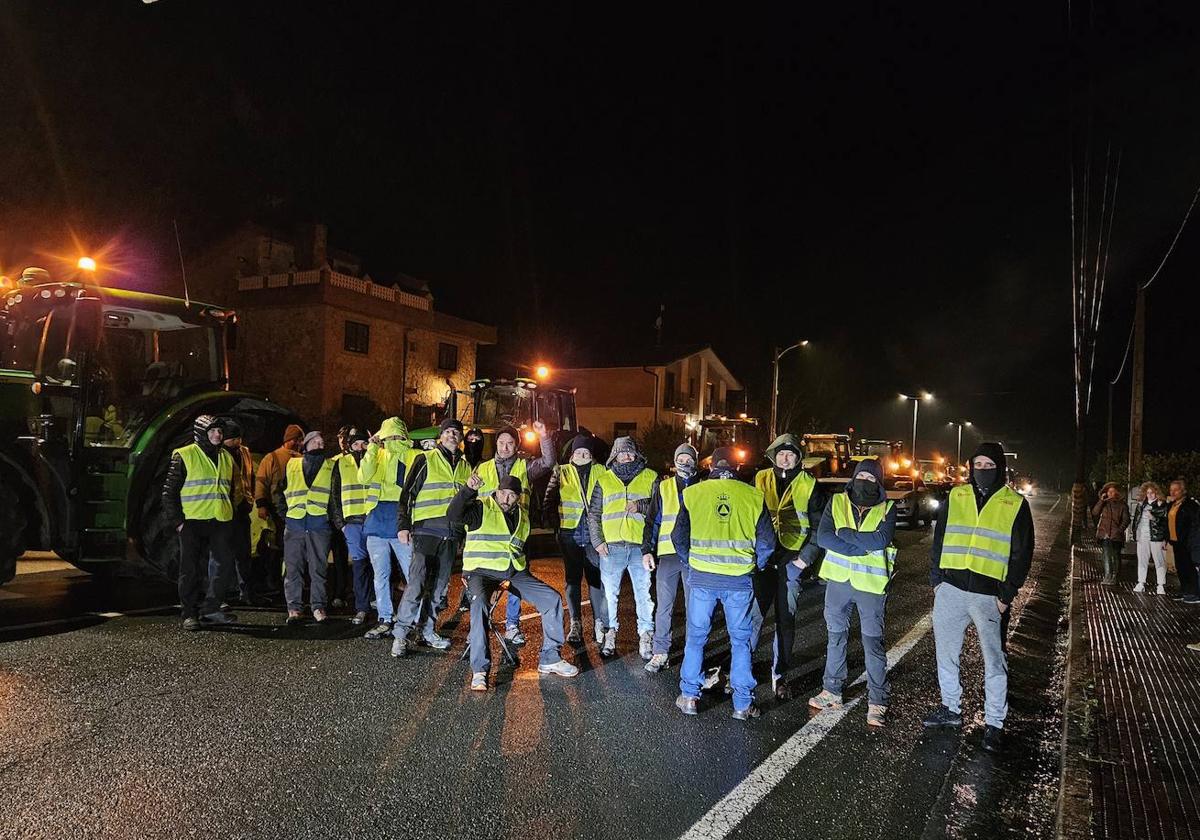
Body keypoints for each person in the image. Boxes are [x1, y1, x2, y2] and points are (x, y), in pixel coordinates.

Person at [922, 443, 1034, 754]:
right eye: (978, 464)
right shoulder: (957, 495)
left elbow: (1022, 554)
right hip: (951, 590)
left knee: (994, 661)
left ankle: (995, 722)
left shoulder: (1014, 503)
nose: (982, 469)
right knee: (946, 653)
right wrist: (937, 581)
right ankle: (950, 707)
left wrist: (1006, 594)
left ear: (999, 468)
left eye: (988, 464)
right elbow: (940, 537)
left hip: (989, 596)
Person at [450, 473, 580, 689]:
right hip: (480, 571)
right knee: (479, 604)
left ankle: (550, 658)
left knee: (551, 599)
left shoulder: (523, 516)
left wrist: (523, 571)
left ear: (518, 497)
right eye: (503, 493)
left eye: (512, 495)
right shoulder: (481, 507)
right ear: (497, 491)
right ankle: (480, 670)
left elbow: (521, 548)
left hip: (513, 572)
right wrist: (467, 490)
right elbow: (453, 514)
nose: (506, 498)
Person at [673, 447, 776, 720]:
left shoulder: (693, 493)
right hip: (739, 580)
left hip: (703, 577)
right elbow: (767, 542)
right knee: (740, 641)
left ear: (710, 467)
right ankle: (742, 704)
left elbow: (678, 536)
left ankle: (690, 697)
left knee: (696, 638)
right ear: (736, 468)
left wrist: (691, 561)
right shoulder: (753, 496)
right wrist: (757, 565)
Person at [807, 457, 897, 728]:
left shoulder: (888, 508)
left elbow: (881, 540)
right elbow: (824, 537)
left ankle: (878, 700)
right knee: (835, 637)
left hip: (870, 586)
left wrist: (843, 534)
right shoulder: (836, 502)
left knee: (873, 643)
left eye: (871, 479)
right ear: (854, 477)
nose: (865, 482)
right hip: (838, 583)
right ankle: (831, 690)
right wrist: (858, 548)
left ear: (878, 482)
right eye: (862, 477)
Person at [753, 433, 827, 699]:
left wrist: (804, 559)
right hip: (763, 558)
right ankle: (742, 672)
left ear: (798, 458)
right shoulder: (760, 478)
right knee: (753, 618)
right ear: (774, 456)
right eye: (782, 454)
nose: (786, 459)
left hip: (792, 558)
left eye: (791, 455)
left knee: (786, 619)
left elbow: (820, 527)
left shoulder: (809, 484)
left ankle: (779, 675)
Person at [392, 418, 471, 657]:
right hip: (426, 531)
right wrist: (403, 525)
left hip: (451, 535)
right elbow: (407, 494)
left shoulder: (466, 467)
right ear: (440, 436)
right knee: (416, 584)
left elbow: (468, 503)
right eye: (448, 432)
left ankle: (427, 630)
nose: (452, 436)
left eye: (456, 433)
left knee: (439, 588)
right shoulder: (425, 459)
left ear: (461, 439)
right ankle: (401, 635)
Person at [474, 422, 557, 646]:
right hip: (488, 538)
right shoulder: (482, 468)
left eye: (510, 443)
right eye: (501, 443)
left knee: (516, 581)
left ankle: (512, 625)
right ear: (496, 445)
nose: (505, 447)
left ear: (515, 446)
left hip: (516, 535)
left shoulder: (525, 466)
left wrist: (544, 436)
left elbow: (548, 462)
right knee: (483, 583)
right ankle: (480, 626)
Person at [162, 414, 237, 631]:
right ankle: (189, 612)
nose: (217, 435)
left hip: (220, 519)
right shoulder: (184, 455)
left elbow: (228, 490)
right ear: (201, 433)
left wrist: (229, 513)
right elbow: (169, 493)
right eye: (212, 431)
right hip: (192, 520)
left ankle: (211, 608)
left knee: (222, 566)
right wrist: (178, 522)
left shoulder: (226, 457)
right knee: (190, 569)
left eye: (220, 431)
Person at [588, 436, 657, 659]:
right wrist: (597, 541)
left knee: (643, 594)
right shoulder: (604, 480)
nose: (626, 456)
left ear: (637, 454)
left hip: (640, 547)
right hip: (611, 547)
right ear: (614, 456)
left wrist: (640, 506)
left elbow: (659, 509)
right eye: (621, 452)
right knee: (609, 595)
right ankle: (610, 633)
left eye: (630, 452)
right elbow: (594, 513)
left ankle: (646, 635)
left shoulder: (651, 477)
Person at [544, 433, 611, 645]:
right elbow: (549, 499)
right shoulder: (561, 471)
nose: (582, 454)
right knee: (572, 579)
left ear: (591, 455)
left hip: (594, 535)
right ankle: (575, 623)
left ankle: (598, 622)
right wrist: (555, 524)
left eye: (586, 452)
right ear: (572, 454)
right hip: (570, 533)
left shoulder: (602, 471)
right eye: (578, 451)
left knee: (595, 579)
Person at [640, 443, 700, 673]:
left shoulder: (703, 487)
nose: (684, 462)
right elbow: (652, 521)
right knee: (664, 606)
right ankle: (660, 652)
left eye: (688, 458)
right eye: (681, 458)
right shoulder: (664, 487)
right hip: (668, 556)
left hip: (694, 555)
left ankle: (693, 653)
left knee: (693, 607)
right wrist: (647, 550)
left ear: (695, 461)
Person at [359, 417, 418, 638]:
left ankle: (413, 619)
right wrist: (372, 449)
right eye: (389, 436)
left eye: (396, 436)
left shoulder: (413, 455)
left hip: (401, 522)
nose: (393, 440)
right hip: (377, 521)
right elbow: (363, 477)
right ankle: (385, 617)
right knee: (381, 575)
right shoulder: (378, 454)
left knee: (412, 575)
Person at [274, 431, 339, 624]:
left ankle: (318, 606)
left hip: (319, 524)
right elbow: (279, 490)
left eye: (321, 441)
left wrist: (332, 521)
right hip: (295, 522)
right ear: (306, 444)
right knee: (293, 568)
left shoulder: (331, 466)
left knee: (318, 568)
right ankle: (294, 608)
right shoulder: (292, 464)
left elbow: (335, 496)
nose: (320, 444)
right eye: (315, 441)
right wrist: (284, 513)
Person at [211, 417, 265, 606]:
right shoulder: (217, 453)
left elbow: (248, 477)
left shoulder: (244, 452)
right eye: (235, 439)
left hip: (241, 510)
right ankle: (220, 596)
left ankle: (246, 593)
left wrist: (249, 501)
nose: (239, 442)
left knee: (244, 555)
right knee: (221, 556)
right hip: (224, 511)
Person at [255, 423, 304, 596]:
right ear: (291, 440)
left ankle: (281, 580)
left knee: (286, 547)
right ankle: (273, 579)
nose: (300, 443)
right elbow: (262, 481)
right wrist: (261, 504)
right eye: (298, 439)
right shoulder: (273, 458)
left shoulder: (298, 457)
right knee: (276, 546)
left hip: (292, 508)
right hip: (278, 509)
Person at [330, 429, 373, 623]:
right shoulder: (341, 463)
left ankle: (376, 602)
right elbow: (335, 495)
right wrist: (341, 524)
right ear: (350, 446)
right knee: (359, 565)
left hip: (372, 520)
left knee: (378, 566)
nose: (360, 448)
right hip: (352, 522)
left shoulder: (375, 460)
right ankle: (362, 606)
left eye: (364, 444)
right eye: (356, 444)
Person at [326, 425, 355, 609]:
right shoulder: (333, 461)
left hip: (356, 515)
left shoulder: (361, 459)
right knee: (339, 559)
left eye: (348, 438)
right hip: (338, 518)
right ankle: (338, 592)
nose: (344, 441)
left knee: (361, 560)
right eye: (341, 438)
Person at [1131, 481, 1168, 594]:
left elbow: (1165, 522)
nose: (1150, 495)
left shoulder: (1162, 505)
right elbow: (1136, 520)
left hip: (1156, 537)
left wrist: (1154, 518)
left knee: (1159, 561)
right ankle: (1141, 582)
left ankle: (1161, 585)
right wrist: (1135, 533)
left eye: (1152, 492)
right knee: (1142, 560)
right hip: (1142, 536)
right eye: (1148, 493)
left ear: (1156, 493)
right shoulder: (1141, 505)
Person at [1166, 480, 1200, 604]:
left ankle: (1194, 593)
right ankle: (1185, 590)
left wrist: (1191, 540)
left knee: (1189, 567)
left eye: (1176, 490)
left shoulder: (1190, 505)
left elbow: (1194, 524)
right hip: (1176, 541)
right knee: (1180, 567)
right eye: (1171, 490)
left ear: (1183, 491)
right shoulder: (1172, 505)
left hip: (1187, 542)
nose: (1173, 492)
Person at [1092, 482, 1130, 586]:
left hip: (1116, 535)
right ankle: (1107, 575)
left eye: (1112, 491)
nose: (1110, 493)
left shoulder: (1122, 505)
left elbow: (1126, 520)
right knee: (1106, 555)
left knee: (1116, 556)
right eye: (1108, 491)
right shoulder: (1104, 503)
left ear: (1117, 493)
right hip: (1104, 534)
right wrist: (1101, 500)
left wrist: (1119, 531)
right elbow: (1095, 512)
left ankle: (1115, 576)